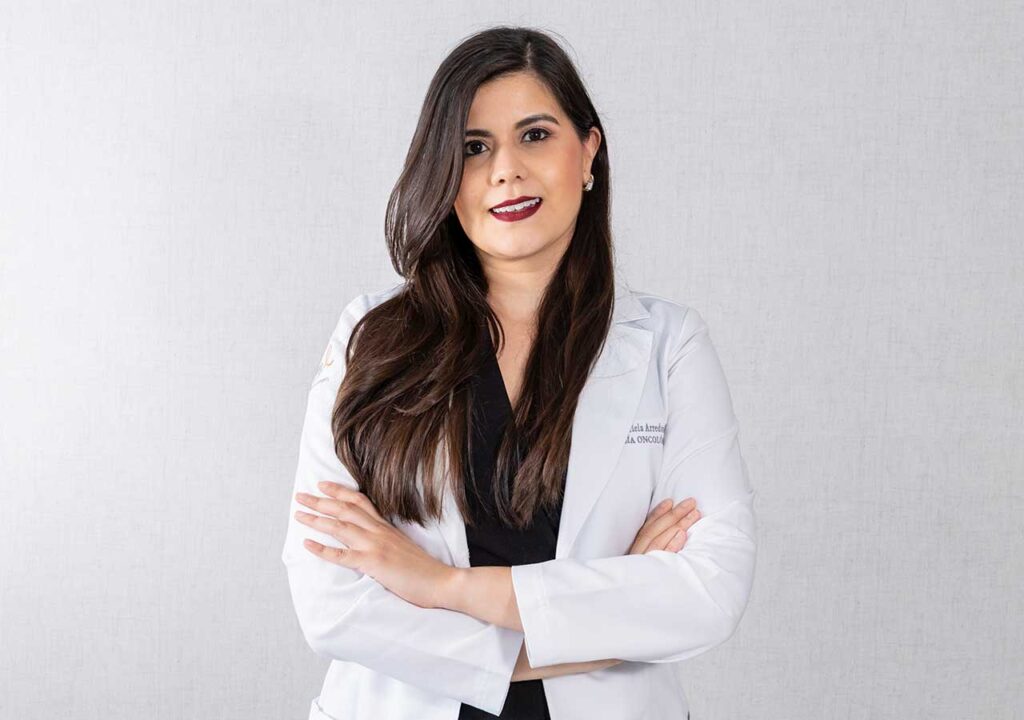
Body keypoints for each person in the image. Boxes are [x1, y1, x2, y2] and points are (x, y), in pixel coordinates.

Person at [281, 25, 756, 720]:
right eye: (474, 148)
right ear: (444, 174)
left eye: (535, 135)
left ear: (588, 151)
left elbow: (708, 591)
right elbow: (331, 604)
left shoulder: (669, 347)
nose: (506, 170)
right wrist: (596, 629)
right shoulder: (372, 340)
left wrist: (439, 585)